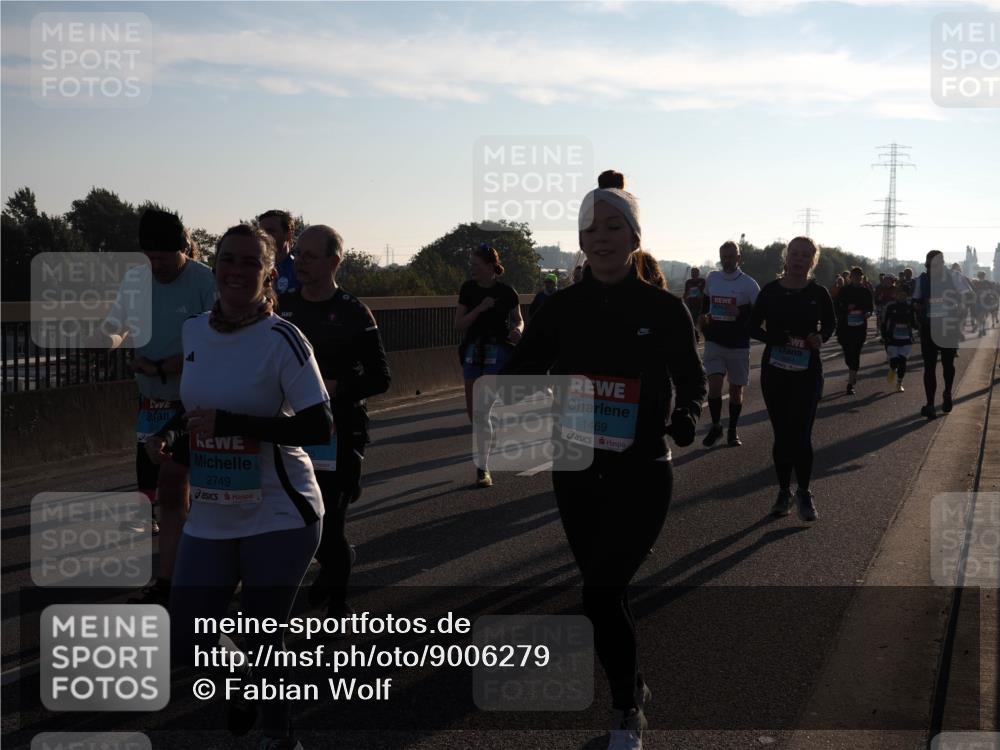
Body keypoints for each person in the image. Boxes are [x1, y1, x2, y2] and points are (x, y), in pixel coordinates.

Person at [503, 170, 706, 750]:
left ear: (635, 236)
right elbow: (521, 373)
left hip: (643, 469)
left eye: (614, 226)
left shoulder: (664, 309)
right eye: (591, 228)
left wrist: (687, 414)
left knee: (599, 592)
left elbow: (691, 380)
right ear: (580, 239)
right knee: (603, 592)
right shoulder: (561, 308)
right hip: (576, 468)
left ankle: (624, 712)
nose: (601, 237)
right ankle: (631, 680)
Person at [148, 223, 333, 750]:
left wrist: (232, 424)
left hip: (279, 512)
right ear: (215, 266)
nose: (235, 270)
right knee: (187, 632)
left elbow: (320, 426)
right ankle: (241, 682)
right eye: (227, 259)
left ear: (269, 275)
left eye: (251, 262)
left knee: (262, 635)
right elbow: (196, 408)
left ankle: (280, 738)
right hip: (212, 509)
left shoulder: (283, 339)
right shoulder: (193, 331)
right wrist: (170, 434)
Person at [94, 208, 216, 606]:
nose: (155, 266)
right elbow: (118, 326)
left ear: (183, 249)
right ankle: (170, 582)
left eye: (163, 258)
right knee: (166, 489)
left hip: (195, 401)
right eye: (149, 257)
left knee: (195, 492)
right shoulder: (136, 280)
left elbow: (216, 344)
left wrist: (164, 366)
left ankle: (200, 575)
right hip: (152, 401)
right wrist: (106, 340)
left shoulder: (205, 281)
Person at [278, 224, 391, 617]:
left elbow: (381, 377)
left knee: (331, 521)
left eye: (310, 256)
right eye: (298, 255)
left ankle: (339, 604)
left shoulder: (354, 312)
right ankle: (327, 568)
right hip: (292, 429)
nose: (300, 262)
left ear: (334, 261)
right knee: (295, 519)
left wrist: (335, 387)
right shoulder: (282, 308)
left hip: (340, 430)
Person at [749, 236, 835, 522]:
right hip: (775, 372)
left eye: (805, 255)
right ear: (786, 257)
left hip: (807, 373)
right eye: (795, 254)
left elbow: (830, 324)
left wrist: (820, 336)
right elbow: (752, 326)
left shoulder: (818, 292)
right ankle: (784, 492)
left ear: (813, 261)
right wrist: (771, 337)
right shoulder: (770, 291)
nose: (799, 259)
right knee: (783, 435)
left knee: (801, 434)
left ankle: (805, 492)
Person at [454, 244, 523, 487]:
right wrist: (480, 308)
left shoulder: (507, 292)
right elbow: (459, 325)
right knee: (474, 414)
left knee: (482, 410)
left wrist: (518, 330)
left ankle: (482, 468)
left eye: (476, 265)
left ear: (490, 266)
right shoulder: (468, 289)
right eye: (470, 265)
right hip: (473, 351)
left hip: (498, 351)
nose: (472, 269)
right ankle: (488, 437)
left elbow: (519, 319)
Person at [699, 240, 760, 447]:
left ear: (738, 258)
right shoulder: (712, 278)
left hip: (738, 345)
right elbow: (705, 303)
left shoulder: (749, 284)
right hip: (714, 342)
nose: (727, 261)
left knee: (735, 390)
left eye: (731, 257)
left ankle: (732, 430)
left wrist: (740, 312)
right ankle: (716, 425)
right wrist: (703, 319)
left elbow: (759, 315)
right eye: (724, 257)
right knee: (714, 386)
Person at [913, 250, 962, 419]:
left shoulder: (954, 277)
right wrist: (919, 305)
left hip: (948, 327)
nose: (931, 269)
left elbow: (967, 295)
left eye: (934, 265)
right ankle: (931, 404)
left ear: (942, 264)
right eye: (929, 266)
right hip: (929, 327)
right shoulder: (921, 280)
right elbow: (915, 300)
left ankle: (947, 393)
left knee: (948, 364)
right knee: (929, 367)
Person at [834, 266, 875, 396]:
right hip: (844, 328)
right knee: (848, 354)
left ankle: (850, 383)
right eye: (854, 276)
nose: (857, 278)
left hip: (859, 328)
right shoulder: (844, 290)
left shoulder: (865, 292)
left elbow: (870, 308)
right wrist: (847, 308)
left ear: (862, 278)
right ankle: (852, 370)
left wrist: (867, 313)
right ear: (850, 277)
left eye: (859, 276)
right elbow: (836, 307)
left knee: (855, 353)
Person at [882, 283, 918, 392]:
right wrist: (884, 336)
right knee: (894, 362)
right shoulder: (890, 306)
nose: (902, 296)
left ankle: (899, 383)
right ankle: (892, 369)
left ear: (907, 295)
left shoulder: (910, 307)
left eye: (904, 295)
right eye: (900, 294)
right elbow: (884, 322)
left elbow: (914, 323)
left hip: (906, 339)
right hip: (892, 339)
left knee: (902, 361)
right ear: (896, 294)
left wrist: (920, 323)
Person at [258, 209, 299, 294]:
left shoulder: (299, 270)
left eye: (270, 231)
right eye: (261, 233)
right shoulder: (255, 269)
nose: (264, 236)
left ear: (288, 234)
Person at [683, 267, 706, 340]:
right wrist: (683, 302)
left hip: (701, 305)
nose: (693, 274)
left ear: (698, 273)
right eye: (692, 273)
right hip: (691, 304)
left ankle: (702, 337)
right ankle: (694, 337)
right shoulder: (688, 282)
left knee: (701, 323)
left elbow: (705, 293)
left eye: (695, 273)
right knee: (692, 322)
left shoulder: (702, 281)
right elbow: (686, 293)